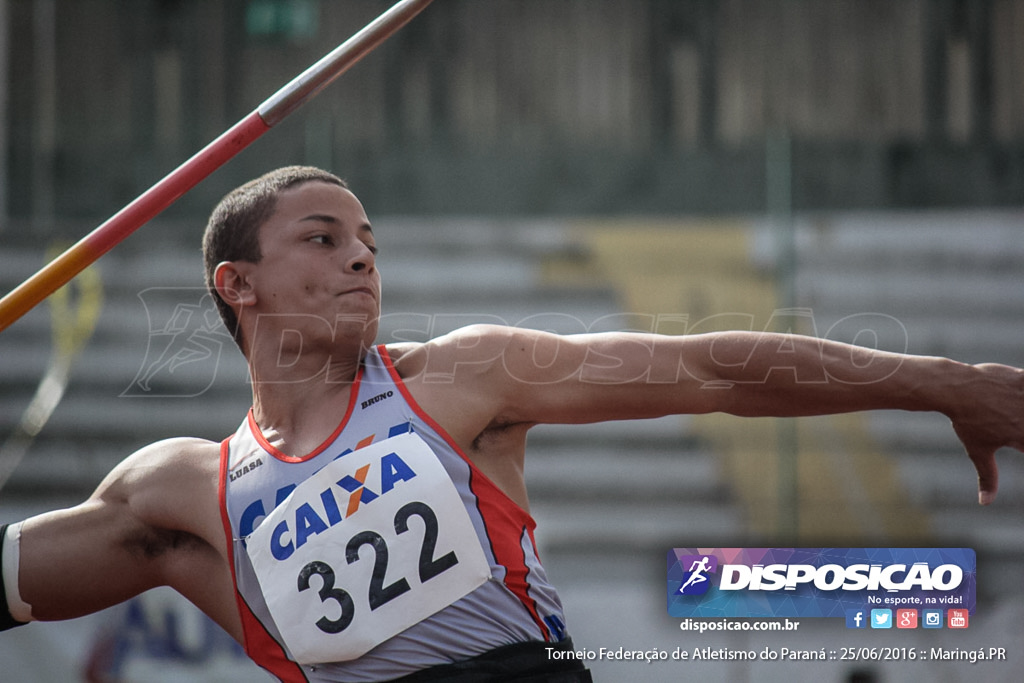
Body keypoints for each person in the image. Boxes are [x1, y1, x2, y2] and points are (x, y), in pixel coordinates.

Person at [1, 165, 1022, 682]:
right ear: (237, 283)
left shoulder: (457, 380)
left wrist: (945, 380)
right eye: (323, 237)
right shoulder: (181, 492)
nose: (362, 257)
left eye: (368, 239)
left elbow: (712, 367)